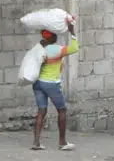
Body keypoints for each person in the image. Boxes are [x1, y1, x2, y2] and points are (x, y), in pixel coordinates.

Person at [27, 18, 78, 152]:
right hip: (51, 84)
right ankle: (62, 142)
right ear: (52, 38)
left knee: (41, 111)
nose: (56, 37)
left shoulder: (39, 49)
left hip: (38, 84)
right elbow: (74, 48)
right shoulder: (57, 49)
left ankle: (36, 142)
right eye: (54, 35)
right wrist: (72, 32)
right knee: (62, 110)